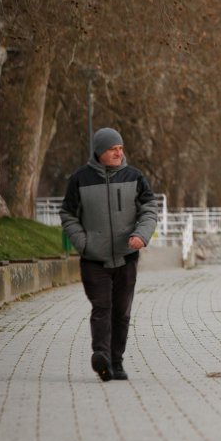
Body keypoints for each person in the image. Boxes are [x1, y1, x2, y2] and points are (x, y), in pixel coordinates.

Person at [60, 128, 158, 382]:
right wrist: (84, 243)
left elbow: (149, 210)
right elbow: (68, 214)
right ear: (100, 151)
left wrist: (141, 235)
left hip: (127, 256)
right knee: (102, 307)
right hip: (94, 258)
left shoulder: (134, 177)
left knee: (122, 312)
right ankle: (101, 356)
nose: (118, 152)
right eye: (112, 148)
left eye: (121, 148)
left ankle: (117, 362)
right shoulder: (80, 179)